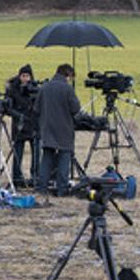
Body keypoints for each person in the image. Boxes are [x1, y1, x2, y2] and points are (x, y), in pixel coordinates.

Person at [35, 64, 83, 197]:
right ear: (67, 75)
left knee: (46, 158)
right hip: (64, 129)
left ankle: (42, 188)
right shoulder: (67, 89)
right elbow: (76, 109)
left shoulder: (44, 87)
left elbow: (36, 108)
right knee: (64, 158)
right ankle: (62, 190)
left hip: (47, 128)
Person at [6, 64, 39, 189]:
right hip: (18, 126)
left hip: (33, 124)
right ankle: (16, 178)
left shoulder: (34, 89)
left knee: (36, 153)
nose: (25, 79)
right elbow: (8, 107)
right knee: (18, 152)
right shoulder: (12, 89)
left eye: (27, 76)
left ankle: (35, 177)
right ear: (19, 76)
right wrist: (18, 116)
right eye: (23, 76)